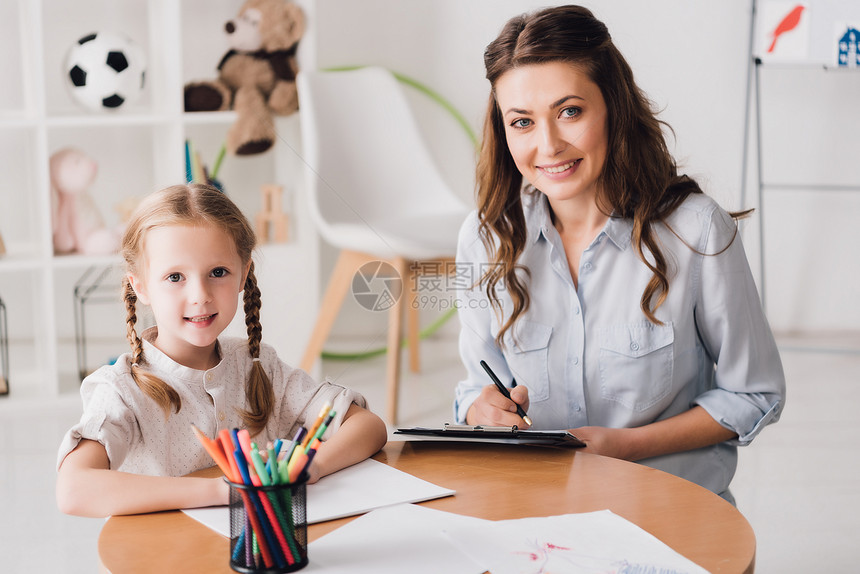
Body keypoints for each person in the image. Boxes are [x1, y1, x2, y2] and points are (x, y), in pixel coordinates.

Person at [454, 5, 785, 501]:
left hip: (668, 511)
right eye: (521, 122)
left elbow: (753, 393)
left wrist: (628, 446)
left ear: (612, 105)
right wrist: (479, 411)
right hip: (538, 514)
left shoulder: (696, 231)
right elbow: (475, 386)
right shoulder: (486, 239)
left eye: (570, 111)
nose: (548, 145)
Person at [57, 184, 387, 517]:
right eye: (175, 277)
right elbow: (73, 490)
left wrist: (311, 465)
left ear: (243, 274)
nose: (200, 294)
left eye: (218, 272)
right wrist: (221, 491)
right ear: (140, 286)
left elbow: (369, 427)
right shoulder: (121, 390)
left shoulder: (261, 367)